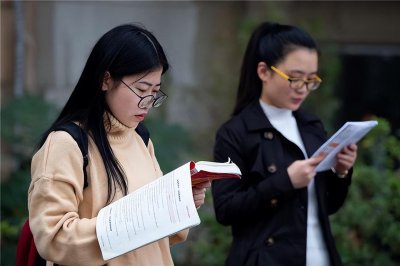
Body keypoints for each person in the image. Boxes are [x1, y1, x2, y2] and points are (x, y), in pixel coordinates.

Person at [28, 24, 210, 266]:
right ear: (106, 80)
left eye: (155, 91)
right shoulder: (67, 144)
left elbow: (158, 237)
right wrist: (136, 220)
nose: (148, 102)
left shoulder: (140, 138)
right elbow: (53, 238)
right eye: (142, 89)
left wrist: (181, 202)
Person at [211, 22, 358, 266]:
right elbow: (226, 210)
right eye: (295, 78)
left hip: (320, 257)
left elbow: (328, 206)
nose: (303, 89)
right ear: (263, 72)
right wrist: (284, 182)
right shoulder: (236, 132)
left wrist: (341, 171)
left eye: (311, 80)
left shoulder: (311, 127)